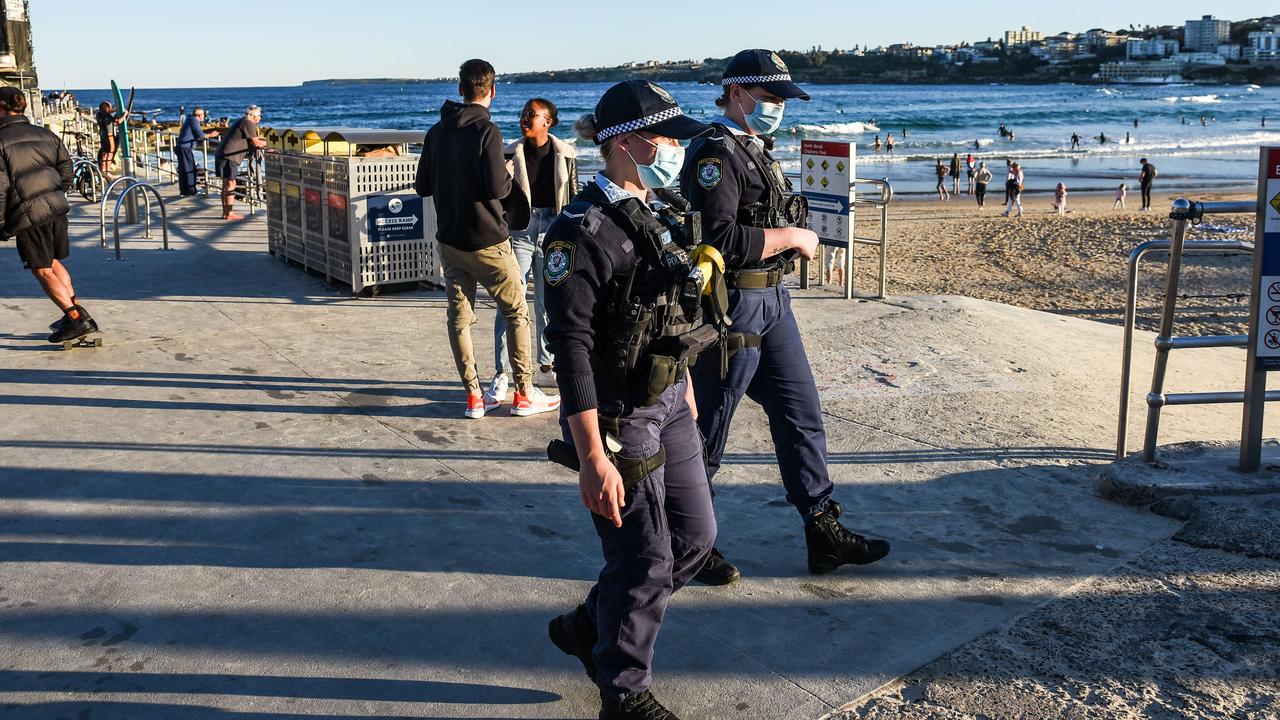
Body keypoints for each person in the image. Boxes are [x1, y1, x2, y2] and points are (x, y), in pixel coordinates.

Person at [542, 79, 720, 720]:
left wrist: (688, 386)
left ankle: (591, 625)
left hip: (670, 398)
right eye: (668, 136)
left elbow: (672, 312)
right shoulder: (577, 234)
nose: (676, 147)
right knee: (644, 559)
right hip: (618, 416)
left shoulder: (662, 209)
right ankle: (623, 692)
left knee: (696, 539)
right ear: (627, 142)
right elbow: (571, 346)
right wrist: (591, 453)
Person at [678, 48, 891, 586]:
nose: (777, 107)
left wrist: (790, 240)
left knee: (801, 414)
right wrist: (792, 237)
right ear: (736, 93)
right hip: (734, 306)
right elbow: (716, 236)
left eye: (781, 99)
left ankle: (822, 530)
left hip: (773, 302)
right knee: (710, 427)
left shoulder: (754, 149)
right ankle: (691, 543)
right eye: (770, 97)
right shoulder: (713, 152)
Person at [415, 59, 558, 420]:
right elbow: (497, 187)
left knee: (460, 319)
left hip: (450, 241)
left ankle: (475, 397)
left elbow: (423, 186)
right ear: (492, 91)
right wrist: (508, 174)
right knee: (516, 312)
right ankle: (524, 392)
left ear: (460, 89)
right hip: (489, 241)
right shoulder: (487, 131)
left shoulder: (436, 132)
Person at [487, 97, 578, 404]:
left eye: (532, 115)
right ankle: (501, 374)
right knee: (510, 302)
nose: (525, 118)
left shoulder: (566, 155)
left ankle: (545, 363)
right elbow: (498, 196)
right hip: (520, 230)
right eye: (524, 113)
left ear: (548, 122)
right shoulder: (510, 152)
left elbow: (574, 198)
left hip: (554, 228)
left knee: (547, 301)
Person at [0, 87, 94, 344]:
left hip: (29, 213)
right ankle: (75, 312)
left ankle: (75, 318)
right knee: (51, 261)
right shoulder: (45, 134)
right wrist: (55, 192)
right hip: (56, 207)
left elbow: (0, 186)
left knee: (41, 269)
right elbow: (67, 168)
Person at [214, 105, 266, 220]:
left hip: (222, 154)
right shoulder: (249, 123)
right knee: (230, 185)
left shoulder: (242, 121)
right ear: (253, 116)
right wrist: (270, 144)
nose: (260, 118)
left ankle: (226, 212)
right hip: (230, 156)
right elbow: (256, 143)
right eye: (260, 116)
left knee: (226, 185)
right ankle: (229, 214)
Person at [176, 107, 219, 197]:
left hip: (181, 146)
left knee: (184, 169)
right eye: (203, 114)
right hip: (185, 147)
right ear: (199, 115)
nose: (204, 116)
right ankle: (191, 191)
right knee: (190, 169)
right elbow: (200, 134)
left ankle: (184, 191)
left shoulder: (189, 119)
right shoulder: (194, 121)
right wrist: (211, 135)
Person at [95, 100, 126, 176]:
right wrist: (125, 114)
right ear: (106, 107)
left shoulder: (98, 114)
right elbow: (118, 122)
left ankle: (103, 171)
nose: (111, 108)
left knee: (104, 154)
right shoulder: (107, 115)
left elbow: (109, 113)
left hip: (102, 135)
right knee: (110, 154)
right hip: (109, 137)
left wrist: (116, 109)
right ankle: (107, 172)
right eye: (110, 107)